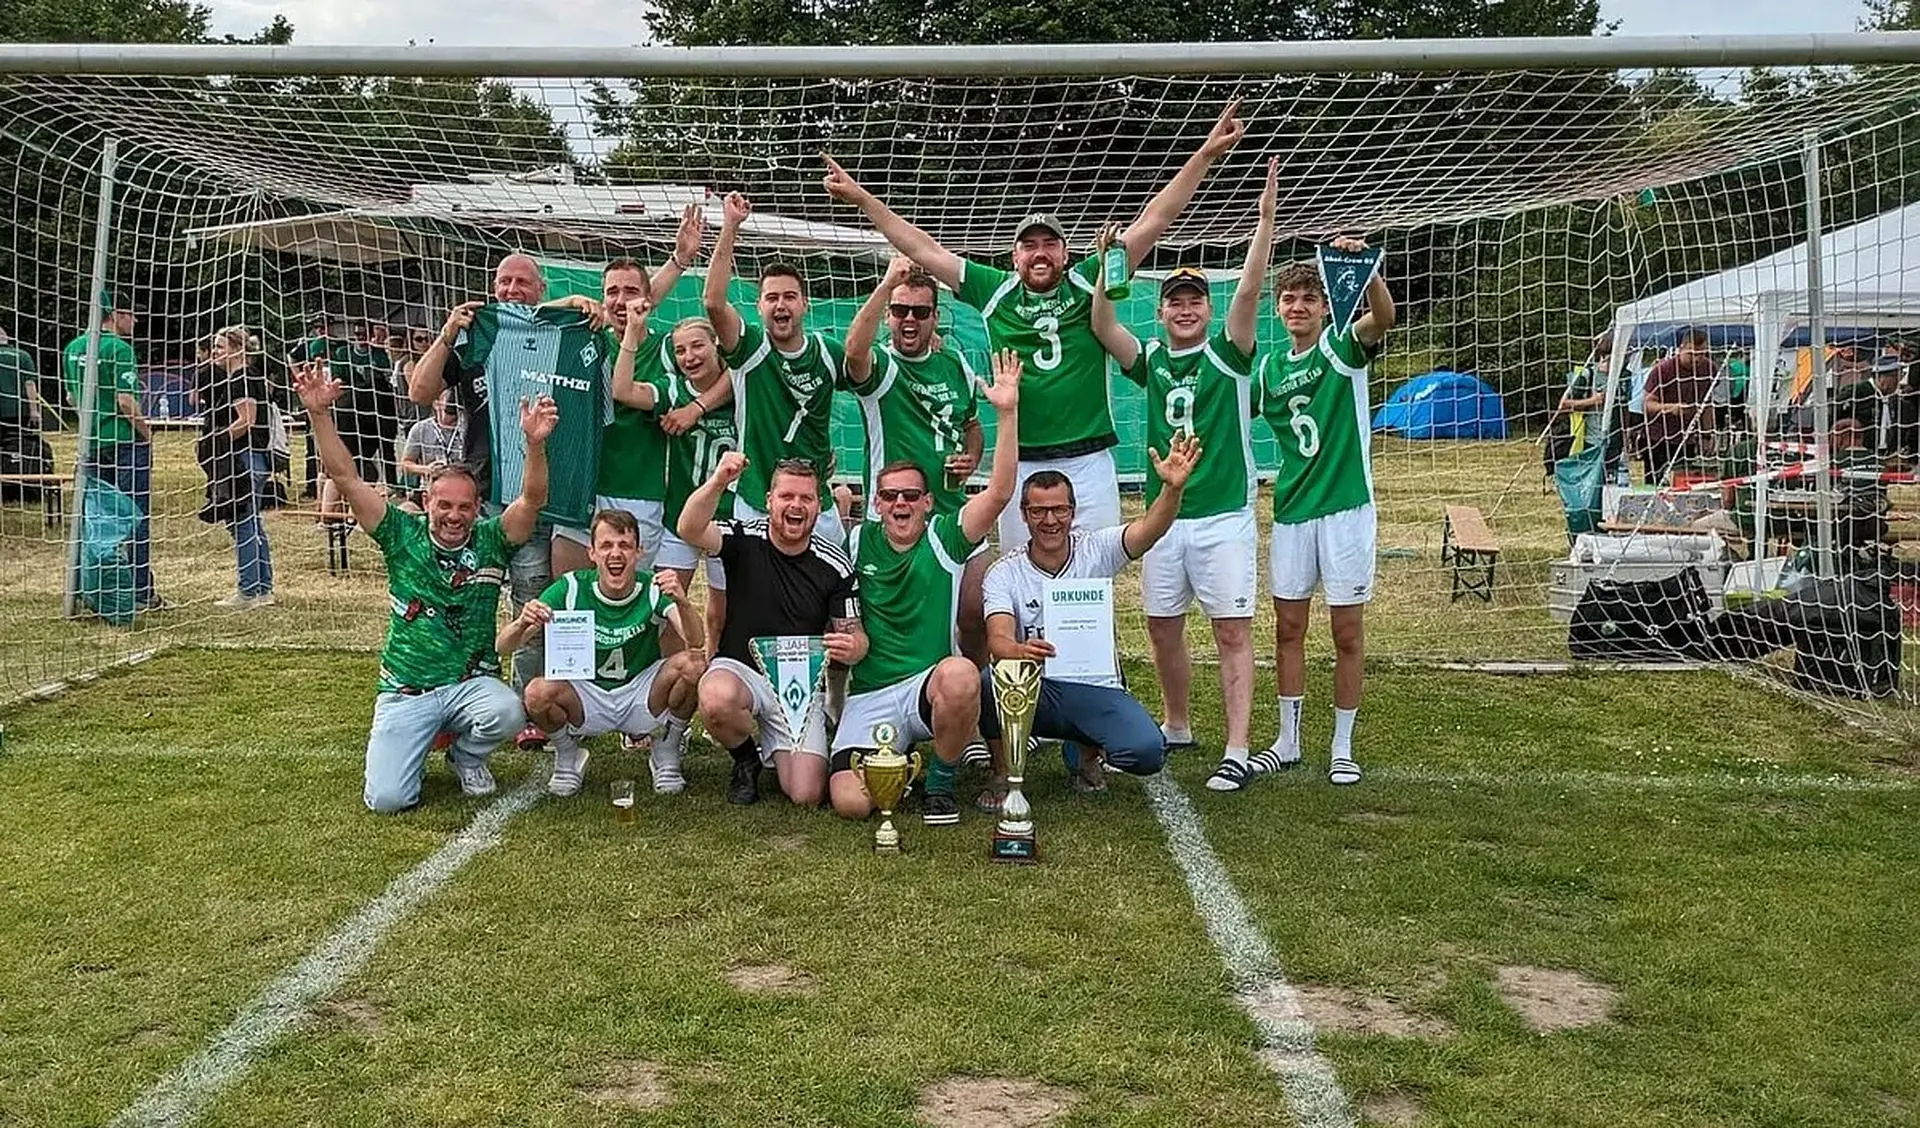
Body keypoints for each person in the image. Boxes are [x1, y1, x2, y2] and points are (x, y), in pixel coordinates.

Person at [821, 100, 1244, 549]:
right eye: (1029, 246)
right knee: (1025, 579)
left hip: (1089, 456)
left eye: (1050, 244)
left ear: (1064, 254)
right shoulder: (994, 291)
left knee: (1094, 572)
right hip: (1020, 461)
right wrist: (865, 199)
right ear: (1014, 256)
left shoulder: (1089, 281)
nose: (1039, 252)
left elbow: (1155, 219)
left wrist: (1204, 156)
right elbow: (925, 250)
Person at [293, 360, 557, 812]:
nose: (454, 516)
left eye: (464, 507)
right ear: (425, 502)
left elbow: (533, 499)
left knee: (509, 712)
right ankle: (409, 742)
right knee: (388, 800)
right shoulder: (401, 534)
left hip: (471, 682)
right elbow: (346, 477)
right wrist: (319, 414)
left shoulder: (492, 540)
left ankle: (466, 755)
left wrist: (533, 444)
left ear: (478, 508)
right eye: (444, 505)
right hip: (408, 687)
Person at [1089, 155, 1276, 770]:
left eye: (1195, 299)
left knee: (1230, 630)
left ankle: (1238, 746)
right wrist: (1106, 267)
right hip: (1164, 517)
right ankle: (1176, 723)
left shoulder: (1230, 354)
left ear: (1207, 308)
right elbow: (1103, 324)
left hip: (1221, 513)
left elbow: (1249, 288)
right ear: (1163, 310)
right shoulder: (1149, 359)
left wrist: (1265, 217)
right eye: (1175, 300)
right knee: (1163, 625)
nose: (1186, 307)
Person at [408, 252, 613, 751]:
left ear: (540, 291)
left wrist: (576, 307)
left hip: (540, 498)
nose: (510, 290)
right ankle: (449, 699)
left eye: (522, 282)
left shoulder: (574, 334)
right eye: (503, 281)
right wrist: (446, 333)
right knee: (458, 599)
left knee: (534, 601)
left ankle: (533, 706)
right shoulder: (482, 334)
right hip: (478, 499)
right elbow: (419, 390)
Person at [828, 348, 1022, 827]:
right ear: (876, 502)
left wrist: (1007, 412)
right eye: (890, 496)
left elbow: (998, 493)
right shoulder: (853, 540)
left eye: (910, 496)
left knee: (959, 674)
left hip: (924, 688)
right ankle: (896, 769)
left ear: (927, 501)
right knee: (852, 804)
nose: (900, 504)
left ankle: (939, 778)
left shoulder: (944, 536)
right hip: (869, 695)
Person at [1246, 241, 1397, 790]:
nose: (1298, 306)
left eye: (1310, 297)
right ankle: (1286, 739)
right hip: (1292, 511)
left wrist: (1368, 270)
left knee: (1346, 631)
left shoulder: (1341, 347)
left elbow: (1383, 317)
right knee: (1288, 628)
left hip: (1345, 510)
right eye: (1289, 298)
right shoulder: (1266, 369)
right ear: (1278, 308)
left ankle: (1342, 745)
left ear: (1326, 306)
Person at [977, 435, 1201, 793]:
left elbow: (1150, 530)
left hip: (1095, 686)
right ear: (1024, 515)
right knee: (989, 684)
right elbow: (998, 640)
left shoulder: (1097, 548)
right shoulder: (1005, 571)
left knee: (1146, 753)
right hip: (1039, 689)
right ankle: (1003, 772)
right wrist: (1020, 651)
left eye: (1059, 510)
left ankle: (1085, 752)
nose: (1049, 520)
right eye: (1038, 511)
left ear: (1073, 511)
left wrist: (1172, 490)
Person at [677, 452, 865, 807]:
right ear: (769, 501)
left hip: (797, 683)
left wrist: (852, 648)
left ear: (818, 505)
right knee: (716, 697)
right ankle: (746, 758)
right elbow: (688, 527)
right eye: (787, 496)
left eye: (806, 498)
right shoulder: (743, 537)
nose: (796, 506)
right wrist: (719, 480)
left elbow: (854, 636)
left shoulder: (835, 565)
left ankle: (783, 743)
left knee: (805, 795)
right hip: (741, 669)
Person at [495, 508, 707, 797]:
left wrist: (682, 602)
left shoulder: (652, 587)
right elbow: (503, 647)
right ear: (592, 553)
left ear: (639, 552)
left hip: (639, 692)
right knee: (536, 693)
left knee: (693, 665)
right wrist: (523, 622)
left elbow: (695, 642)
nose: (615, 554)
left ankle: (666, 751)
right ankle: (569, 755)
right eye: (606, 545)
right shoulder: (570, 588)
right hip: (588, 693)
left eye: (625, 545)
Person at [842, 256, 990, 663]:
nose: (910, 320)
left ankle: (977, 699)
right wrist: (886, 283)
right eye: (900, 310)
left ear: (935, 317)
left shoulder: (955, 364)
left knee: (977, 613)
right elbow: (854, 350)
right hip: (895, 517)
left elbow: (973, 425)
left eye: (921, 312)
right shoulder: (883, 367)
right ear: (888, 314)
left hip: (951, 512)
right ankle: (851, 698)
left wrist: (971, 457)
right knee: (873, 620)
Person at [701, 192, 848, 546]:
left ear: (805, 305)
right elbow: (713, 302)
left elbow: (868, 370)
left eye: (789, 297)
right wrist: (731, 226)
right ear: (759, 307)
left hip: (815, 502)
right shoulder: (751, 348)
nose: (780, 305)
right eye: (772, 298)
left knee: (827, 592)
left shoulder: (827, 352)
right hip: (756, 501)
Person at [589, 206, 706, 571]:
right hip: (583, 491)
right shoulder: (586, 338)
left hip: (640, 492)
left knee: (631, 600)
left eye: (630, 291)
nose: (620, 300)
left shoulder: (670, 349)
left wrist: (696, 408)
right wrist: (572, 301)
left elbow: (731, 374)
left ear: (648, 298)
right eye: (612, 292)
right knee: (575, 602)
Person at [614, 316, 735, 653]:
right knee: (666, 607)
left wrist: (695, 410)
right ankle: (670, 679)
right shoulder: (673, 388)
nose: (689, 356)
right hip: (680, 518)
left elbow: (737, 372)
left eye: (697, 346)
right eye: (680, 350)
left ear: (716, 345)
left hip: (727, 518)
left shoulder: (742, 384)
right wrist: (632, 338)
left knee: (721, 616)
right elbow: (622, 390)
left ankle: (714, 672)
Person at [63, 292, 159, 611]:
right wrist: (148, 434)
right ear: (115, 314)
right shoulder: (119, 348)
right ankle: (139, 592)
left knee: (91, 517)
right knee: (133, 516)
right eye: (132, 314)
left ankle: (83, 588)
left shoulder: (73, 348)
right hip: (122, 443)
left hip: (89, 443)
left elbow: (72, 398)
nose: (136, 321)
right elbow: (126, 402)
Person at [199, 326, 274, 608]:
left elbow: (246, 420)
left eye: (219, 347)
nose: (215, 352)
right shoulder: (245, 378)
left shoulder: (240, 379)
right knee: (251, 521)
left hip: (244, 458)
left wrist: (218, 440)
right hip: (252, 456)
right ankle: (263, 587)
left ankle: (248, 590)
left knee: (242, 521)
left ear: (237, 349)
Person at [1641, 328, 1718, 483]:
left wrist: (1707, 435)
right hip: (1657, 439)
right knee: (1655, 485)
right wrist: (1671, 408)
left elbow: (1707, 404)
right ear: (1681, 347)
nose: (1696, 359)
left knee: (1683, 485)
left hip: (1686, 439)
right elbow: (1647, 404)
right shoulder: (1663, 370)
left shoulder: (1710, 369)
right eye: (1692, 354)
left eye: (1701, 354)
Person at [1558, 332, 1627, 480]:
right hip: (1593, 442)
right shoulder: (1588, 375)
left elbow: (1625, 408)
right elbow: (1563, 404)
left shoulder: (1625, 375)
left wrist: (1628, 436)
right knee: (1593, 484)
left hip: (1616, 443)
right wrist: (1593, 401)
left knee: (1614, 484)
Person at [399, 391, 466, 508]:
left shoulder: (466, 428)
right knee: (406, 508)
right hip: (428, 489)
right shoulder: (420, 429)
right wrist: (427, 469)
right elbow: (405, 464)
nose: (452, 411)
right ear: (436, 404)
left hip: (459, 490)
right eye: (448, 406)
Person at [0, 328, 42, 467]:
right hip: (19, 411)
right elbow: (30, 384)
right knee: (20, 445)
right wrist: (34, 410)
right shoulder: (22, 356)